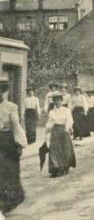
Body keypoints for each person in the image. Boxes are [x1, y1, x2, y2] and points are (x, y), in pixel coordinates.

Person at [0, 77, 27, 218]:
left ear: (3, 92)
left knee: (8, 172)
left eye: (0, 91)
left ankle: (7, 202)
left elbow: (16, 126)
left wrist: (20, 144)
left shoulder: (11, 106)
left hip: (6, 142)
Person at [46, 92, 76, 178]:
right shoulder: (52, 112)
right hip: (55, 131)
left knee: (65, 149)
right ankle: (55, 168)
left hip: (64, 130)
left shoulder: (66, 110)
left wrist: (67, 128)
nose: (57, 102)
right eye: (55, 101)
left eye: (59, 100)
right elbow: (50, 122)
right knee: (54, 149)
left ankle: (65, 167)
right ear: (53, 102)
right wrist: (47, 130)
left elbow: (69, 120)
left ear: (62, 101)